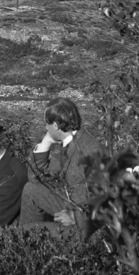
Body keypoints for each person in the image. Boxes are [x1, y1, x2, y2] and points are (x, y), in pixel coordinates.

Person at [20, 97, 101, 230]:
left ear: (55, 126)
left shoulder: (91, 150)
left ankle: (27, 237)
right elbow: (36, 179)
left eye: (47, 124)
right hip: (71, 204)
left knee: (27, 230)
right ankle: (26, 240)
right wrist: (45, 143)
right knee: (31, 189)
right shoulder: (70, 145)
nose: (46, 128)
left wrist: (77, 217)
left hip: (85, 224)